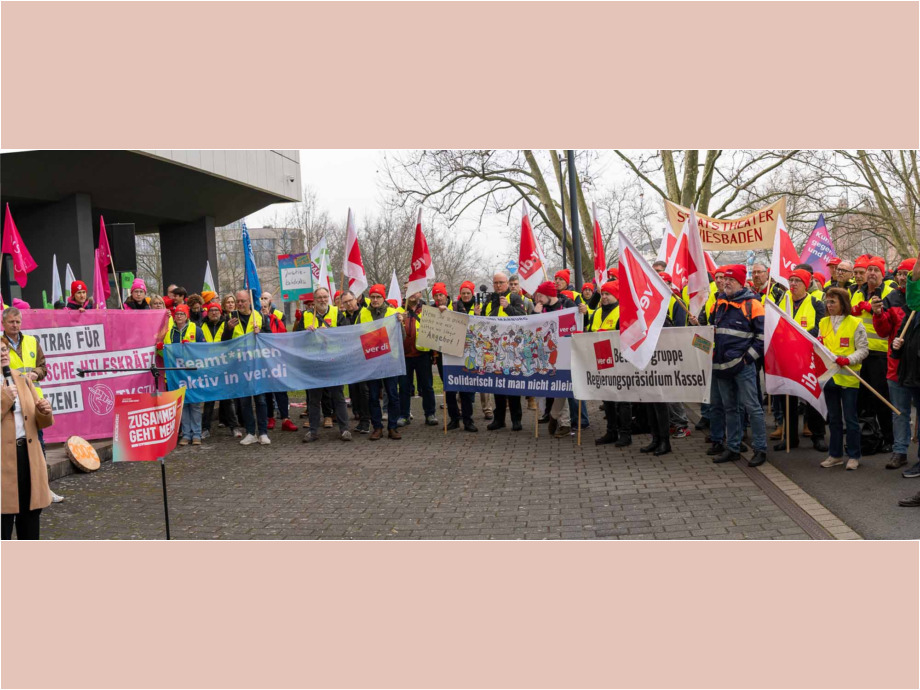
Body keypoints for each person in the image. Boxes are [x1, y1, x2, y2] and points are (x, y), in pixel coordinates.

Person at [711, 264, 767, 467]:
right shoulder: (718, 303)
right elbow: (711, 332)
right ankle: (733, 448)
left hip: (743, 367)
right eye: (725, 279)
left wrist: (746, 360)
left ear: (740, 283)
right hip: (721, 366)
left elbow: (762, 338)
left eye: (731, 280)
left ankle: (760, 449)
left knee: (753, 408)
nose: (726, 283)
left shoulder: (753, 304)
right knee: (730, 409)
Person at [2, 341, 54, 539]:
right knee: (4, 519)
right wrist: (4, 399)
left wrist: (44, 412)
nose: (2, 354)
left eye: (4, 350)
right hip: (3, 461)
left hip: (27, 456)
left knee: (30, 515)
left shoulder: (21, 379)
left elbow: (38, 421)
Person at [773, 269, 828, 453]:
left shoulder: (816, 303)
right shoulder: (782, 301)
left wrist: (797, 337)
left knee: (812, 395)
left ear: (806, 284)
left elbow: (820, 328)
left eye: (797, 281)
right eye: (791, 280)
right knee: (787, 397)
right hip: (787, 356)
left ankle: (817, 436)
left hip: (809, 356)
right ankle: (790, 437)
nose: (793, 284)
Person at [818, 288, 870, 470]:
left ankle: (854, 456)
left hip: (849, 378)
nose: (829, 305)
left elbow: (863, 350)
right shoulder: (823, 322)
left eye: (833, 301)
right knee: (833, 419)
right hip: (829, 378)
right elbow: (819, 347)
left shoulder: (855, 323)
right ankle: (835, 455)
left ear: (843, 303)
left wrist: (848, 359)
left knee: (850, 419)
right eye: (827, 301)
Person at [851, 256, 898, 453]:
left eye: (876, 270)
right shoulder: (857, 292)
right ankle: (869, 435)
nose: (871, 273)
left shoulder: (889, 292)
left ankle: (889, 438)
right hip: (860, 353)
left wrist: (872, 309)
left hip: (880, 352)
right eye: (869, 269)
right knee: (863, 399)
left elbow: (891, 319)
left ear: (882, 274)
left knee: (881, 398)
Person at [296, 287, 352, 443]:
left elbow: (345, 334)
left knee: (338, 397)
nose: (322, 300)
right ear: (314, 300)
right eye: (319, 297)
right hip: (315, 363)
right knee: (314, 399)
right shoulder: (306, 315)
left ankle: (344, 429)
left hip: (333, 361)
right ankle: (313, 431)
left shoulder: (336, 313)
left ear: (329, 298)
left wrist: (329, 332)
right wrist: (306, 332)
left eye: (325, 297)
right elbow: (297, 338)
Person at [532, 281, 581, 438]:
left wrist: (583, 311)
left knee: (563, 386)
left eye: (540, 295)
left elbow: (579, 321)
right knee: (555, 388)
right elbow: (532, 328)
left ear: (548, 295)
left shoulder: (567, 304)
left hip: (566, 353)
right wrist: (535, 314)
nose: (538, 299)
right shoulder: (541, 308)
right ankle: (562, 422)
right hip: (547, 355)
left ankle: (558, 418)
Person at [589, 281, 632, 448]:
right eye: (603, 294)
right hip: (602, 359)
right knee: (607, 398)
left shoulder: (623, 311)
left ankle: (625, 434)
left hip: (620, 361)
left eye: (608, 294)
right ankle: (611, 431)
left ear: (616, 295)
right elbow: (589, 333)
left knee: (623, 400)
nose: (604, 297)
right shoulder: (597, 312)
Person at [224, 290, 268, 446]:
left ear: (249, 301)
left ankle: (263, 432)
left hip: (257, 364)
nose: (240, 304)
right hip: (240, 365)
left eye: (243, 301)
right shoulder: (230, 317)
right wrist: (228, 329)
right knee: (244, 401)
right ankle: (250, 432)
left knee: (260, 400)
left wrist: (260, 332)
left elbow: (269, 337)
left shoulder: (259, 316)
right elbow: (224, 342)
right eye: (238, 301)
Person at [484, 272, 526, 431]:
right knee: (498, 386)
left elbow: (523, 317)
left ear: (507, 283)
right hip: (494, 349)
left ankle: (516, 419)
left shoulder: (514, 298)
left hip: (511, 349)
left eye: (501, 282)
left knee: (513, 386)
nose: (498, 285)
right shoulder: (490, 300)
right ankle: (499, 419)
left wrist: (508, 307)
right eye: (496, 283)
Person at [158, 305, 202, 446]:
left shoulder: (196, 329)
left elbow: (203, 350)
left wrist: (191, 348)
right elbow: (166, 354)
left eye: (182, 314)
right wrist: (159, 349)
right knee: (183, 404)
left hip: (192, 373)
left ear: (187, 316)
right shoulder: (170, 332)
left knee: (195, 404)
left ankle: (197, 434)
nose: (179, 316)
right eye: (177, 314)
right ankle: (186, 434)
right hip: (176, 374)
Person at [365, 284, 403, 440]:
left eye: (378, 297)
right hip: (372, 360)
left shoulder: (393, 313)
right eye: (373, 297)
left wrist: (401, 323)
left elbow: (402, 336)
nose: (375, 300)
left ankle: (392, 427)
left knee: (393, 395)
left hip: (390, 360)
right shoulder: (363, 313)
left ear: (383, 298)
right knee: (373, 396)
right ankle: (377, 427)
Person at [440, 282, 477, 432]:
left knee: (466, 389)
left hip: (468, 353)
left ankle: (468, 420)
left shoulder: (478, 307)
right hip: (451, 352)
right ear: (460, 294)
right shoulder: (454, 306)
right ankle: (454, 419)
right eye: (463, 293)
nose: (466, 295)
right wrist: (443, 312)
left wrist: (479, 315)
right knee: (450, 389)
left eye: (468, 293)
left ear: (472, 294)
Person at [399, 289, 438, 428]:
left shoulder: (428, 310)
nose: (412, 294)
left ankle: (430, 414)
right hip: (404, 355)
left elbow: (435, 331)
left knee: (427, 387)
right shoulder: (398, 310)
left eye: (415, 291)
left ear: (420, 294)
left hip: (423, 355)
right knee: (404, 387)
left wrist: (434, 354)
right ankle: (404, 415)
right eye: (409, 291)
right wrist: (398, 319)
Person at [260, 301, 297, 434]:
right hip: (262, 361)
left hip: (276, 360)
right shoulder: (255, 322)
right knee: (267, 390)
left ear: (269, 308)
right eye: (260, 308)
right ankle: (270, 417)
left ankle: (285, 418)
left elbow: (284, 338)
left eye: (265, 307)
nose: (263, 310)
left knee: (280, 389)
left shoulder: (276, 321)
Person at [341, 290, 373, 434]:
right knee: (353, 389)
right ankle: (359, 415)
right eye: (345, 302)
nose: (349, 304)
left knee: (364, 389)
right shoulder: (341, 317)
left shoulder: (366, 312)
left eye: (350, 300)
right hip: (350, 358)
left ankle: (366, 420)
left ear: (356, 299)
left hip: (364, 356)